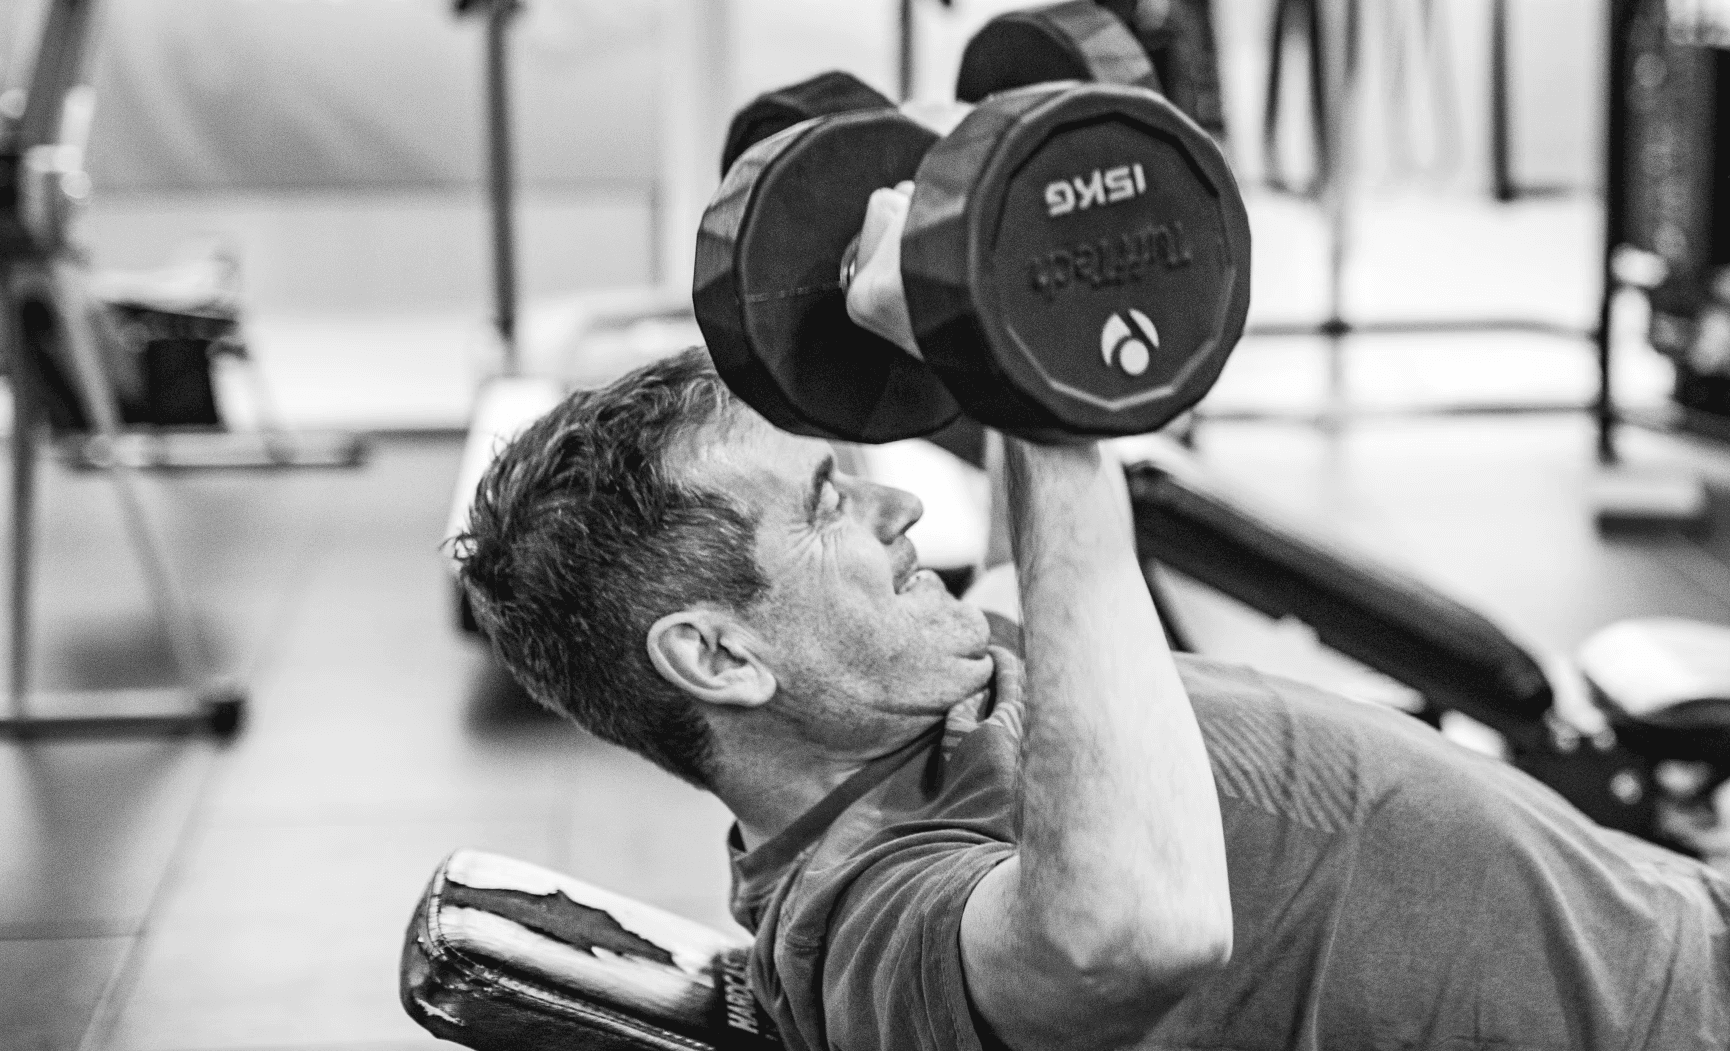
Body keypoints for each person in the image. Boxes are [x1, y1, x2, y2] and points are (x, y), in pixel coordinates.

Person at [455, 191, 1730, 1051]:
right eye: (829, 501)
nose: (901, 505)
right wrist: (1039, 401)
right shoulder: (865, 915)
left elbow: (1044, 565)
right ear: (720, 655)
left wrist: (953, 290)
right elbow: (1128, 928)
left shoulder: (921, 705)